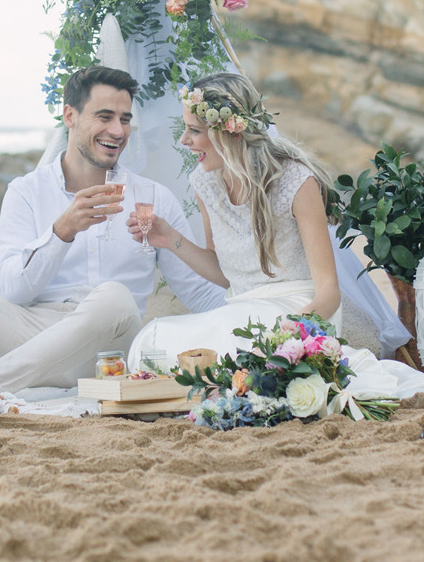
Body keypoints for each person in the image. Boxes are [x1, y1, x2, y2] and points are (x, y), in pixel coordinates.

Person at [0, 66, 226, 419]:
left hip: (106, 349)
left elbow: (198, 292)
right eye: (104, 117)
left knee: (114, 297)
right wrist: (62, 231)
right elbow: (9, 293)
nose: (117, 131)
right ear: (70, 116)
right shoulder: (26, 191)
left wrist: (254, 316)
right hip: (27, 339)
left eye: (124, 119)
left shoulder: (153, 197)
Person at [125, 71, 384, 365]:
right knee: (150, 342)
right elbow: (226, 275)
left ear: (229, 131)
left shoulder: (296, 180)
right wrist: (170, 239)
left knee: (229, 347)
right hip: (240, 309)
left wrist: (288, 333)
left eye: (194, 130)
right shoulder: (205, 183)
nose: (184, 140)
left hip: (298, 311)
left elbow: (329, 293)